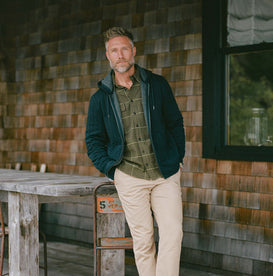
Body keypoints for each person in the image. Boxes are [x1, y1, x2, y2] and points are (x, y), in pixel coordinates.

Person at [85, 27, 185, 276]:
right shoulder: (100, 99)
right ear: (108, 56)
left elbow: (175, 123)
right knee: (143, 241)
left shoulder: (157, 85)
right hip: (129, 176)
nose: (120, 55)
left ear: (133, 51)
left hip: (165, 173)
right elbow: (93, 140)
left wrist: (177, 157)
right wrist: (112, 169)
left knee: (173, 233)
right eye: (114, 50)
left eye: (124, 49)